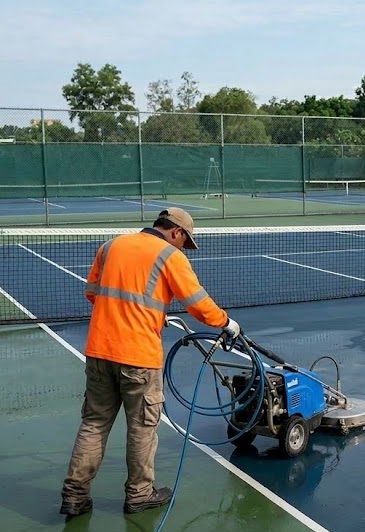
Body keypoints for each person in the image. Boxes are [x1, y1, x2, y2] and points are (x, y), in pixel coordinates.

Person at [60, 208, 240, 518]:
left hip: (100, 350)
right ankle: (140, 495)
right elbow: (196, 302)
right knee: (142, 428)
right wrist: (226, 322)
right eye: (185, 241)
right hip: (138, 357)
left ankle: (74, 497)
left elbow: (93, 293)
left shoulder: (111, 246)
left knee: (94, 424)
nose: (184, 248)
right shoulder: (170, 255)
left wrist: (139, 311)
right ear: (177, 233)